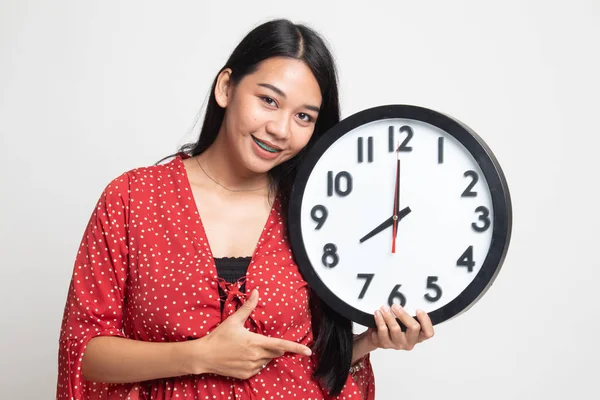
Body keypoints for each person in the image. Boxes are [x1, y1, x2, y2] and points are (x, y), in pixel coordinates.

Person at [56, 18, 434, 400]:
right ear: (226, 88)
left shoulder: (318, 213)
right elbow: (84, 350)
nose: (281, 129)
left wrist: (370, 340)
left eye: (303, 116)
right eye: (268, 100)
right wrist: (201, 355)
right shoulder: (132, 198)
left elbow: (307, 359)